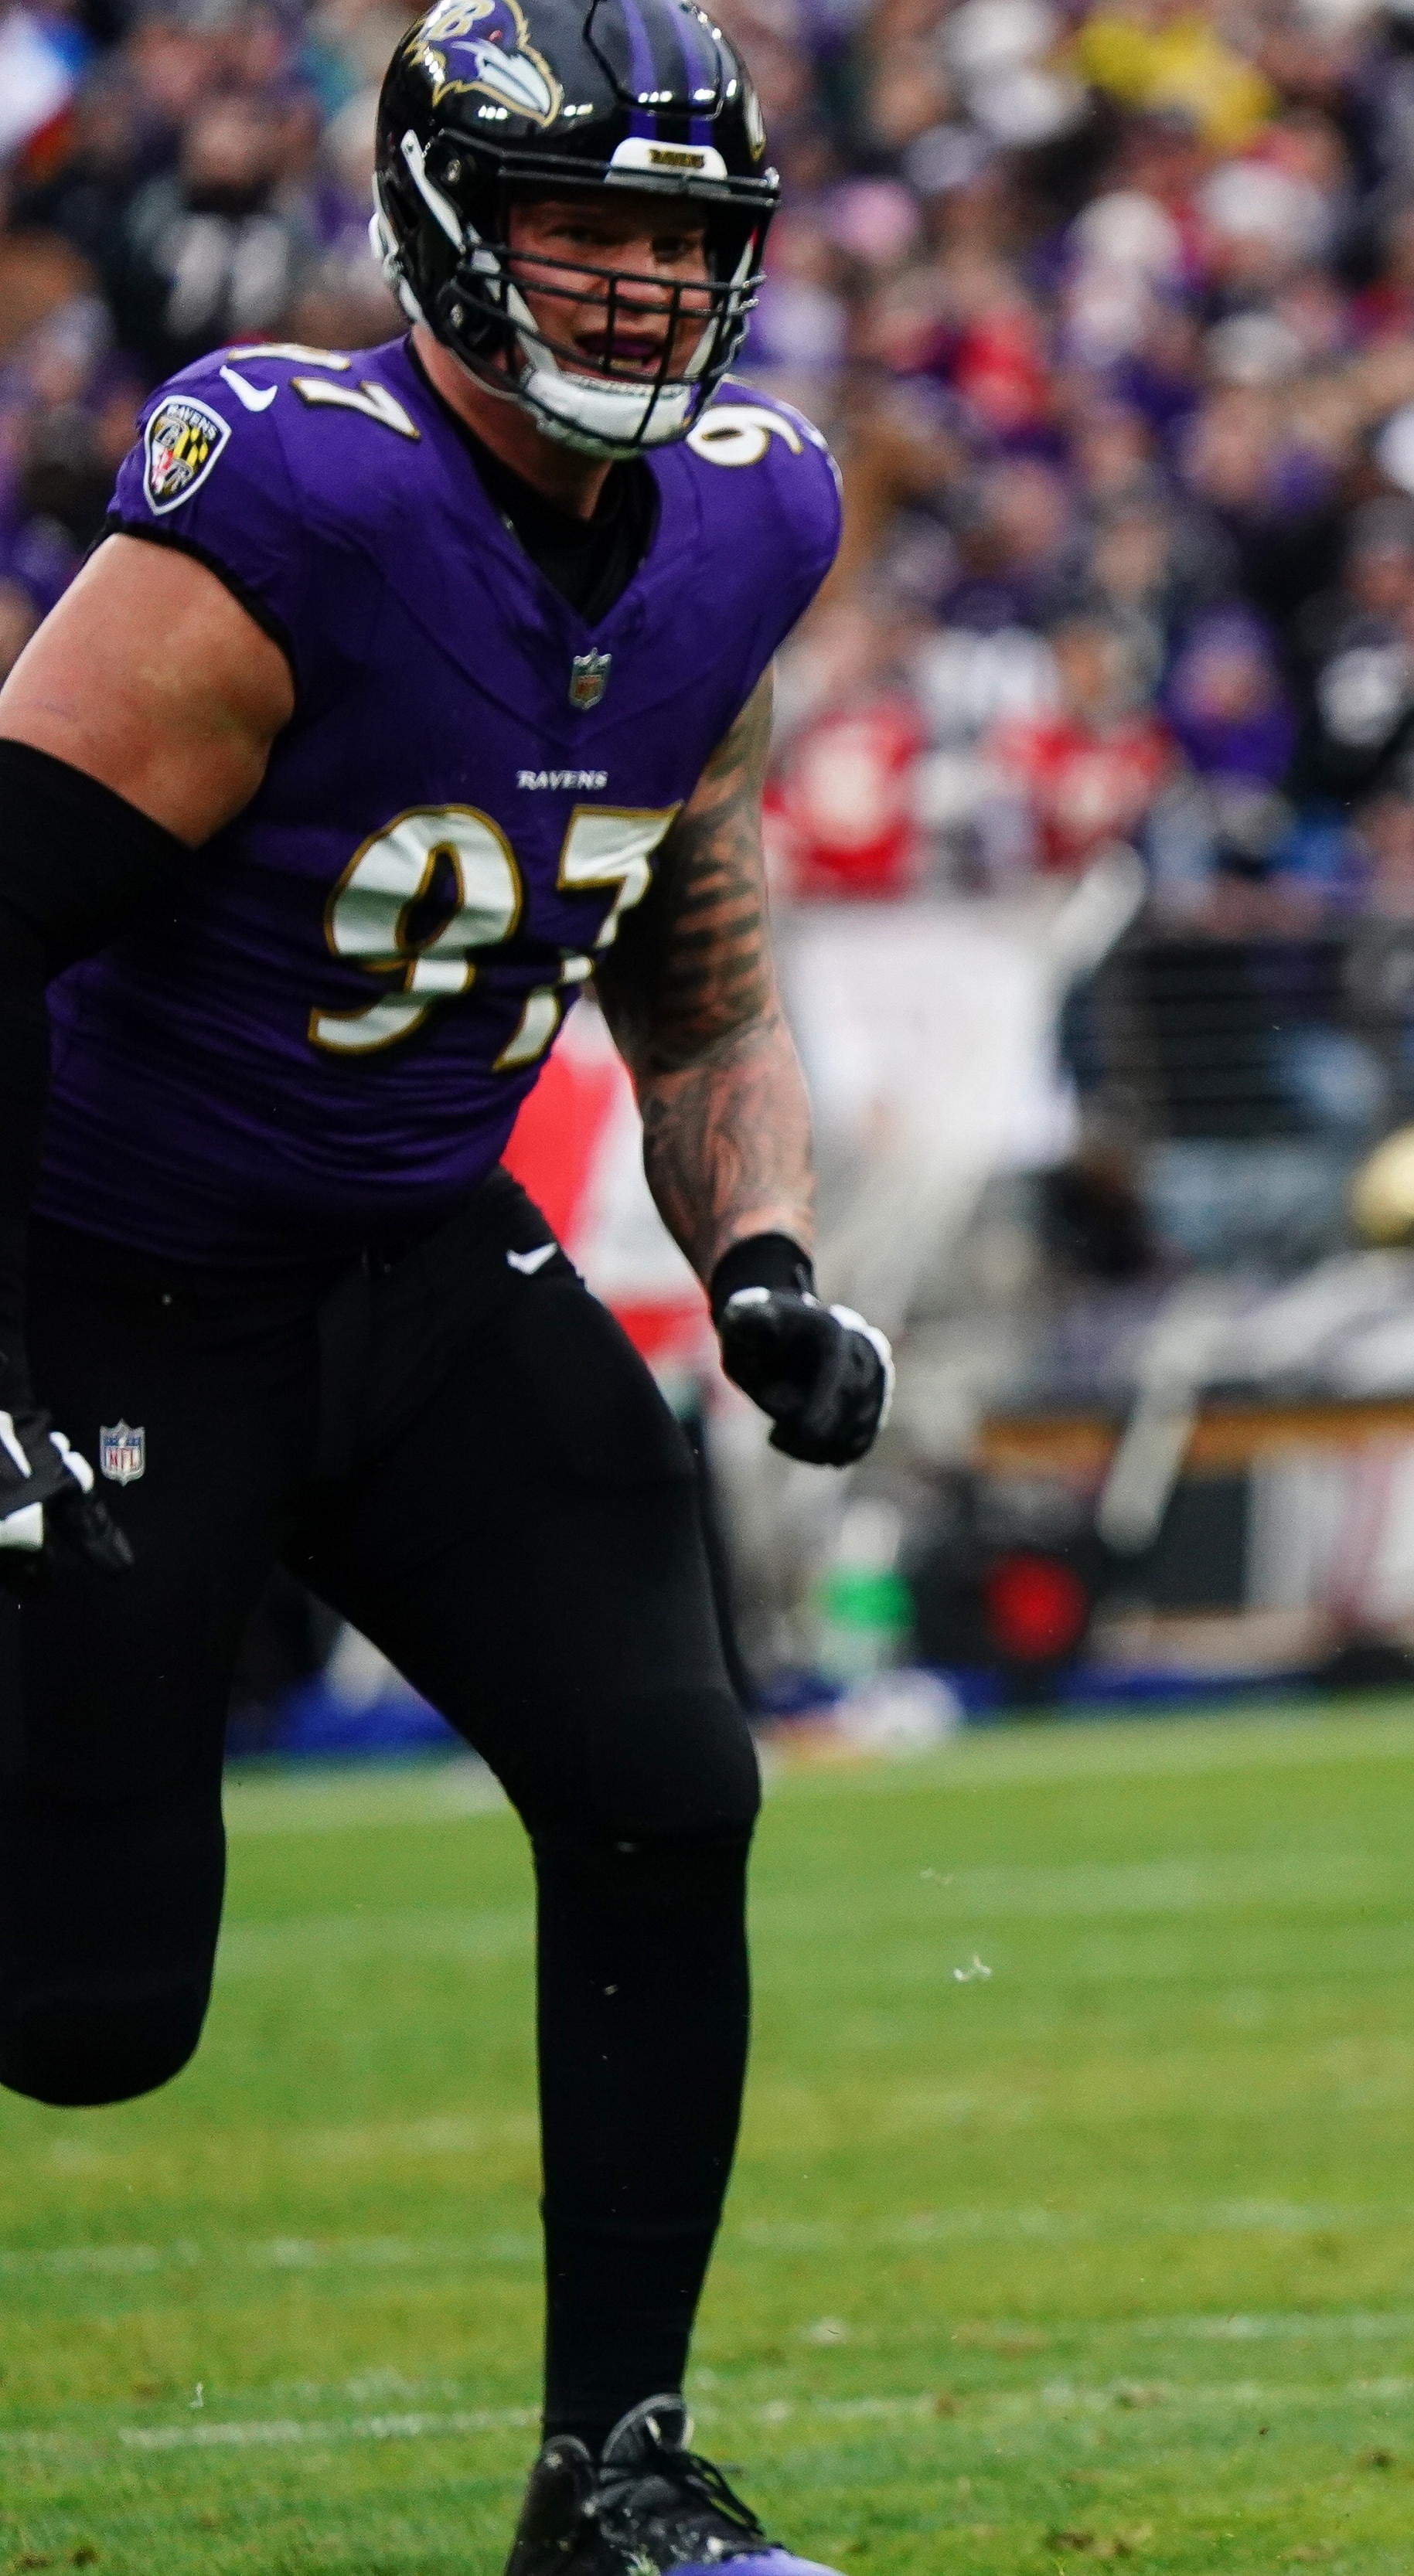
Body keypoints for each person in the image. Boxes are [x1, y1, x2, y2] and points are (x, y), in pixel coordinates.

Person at [0, 7, 884, 2571]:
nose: (637, 284)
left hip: (410, 1253)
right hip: (119, 1276)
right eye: (586, 223)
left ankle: (613, 2482)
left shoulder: (750, 517)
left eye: (684, 235)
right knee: (88, 2020)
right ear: (441, 220)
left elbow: (691, 946)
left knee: (666, 1780)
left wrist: (766, 1260)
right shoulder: (296, 498)